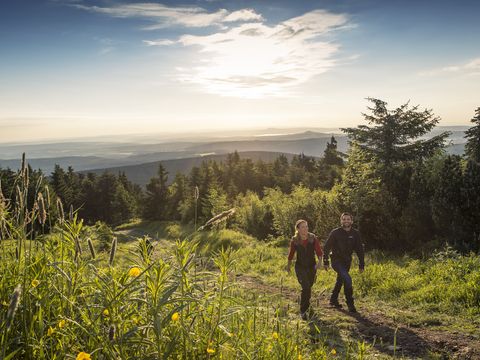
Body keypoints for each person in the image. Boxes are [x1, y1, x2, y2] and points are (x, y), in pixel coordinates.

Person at [323, 212, 364, 313]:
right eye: (344, 219)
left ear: (351, 221)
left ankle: (333, 299)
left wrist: (361, 263)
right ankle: (350, 304)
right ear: (341, 221)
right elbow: (327, 247)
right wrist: (326, 261)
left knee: (340, 280)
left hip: (347, 261)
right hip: (336, 261)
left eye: (348, 219)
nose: (346, 221)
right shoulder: (335, 232)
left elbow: (359, 249)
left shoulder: (355, 233)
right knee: (347, 279)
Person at [286, 219, 323, 320]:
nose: (305, 229)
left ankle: (306, 303)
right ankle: (303, 311)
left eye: (306, 226)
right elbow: (291, 254)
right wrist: (288, 265)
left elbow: (319, 252)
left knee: (309, 287)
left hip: (311, 266)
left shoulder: (312, 238)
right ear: (298, 228)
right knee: (306, 287)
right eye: (303, 227)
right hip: (300, 267)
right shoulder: (295, 240)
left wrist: (319, 263)